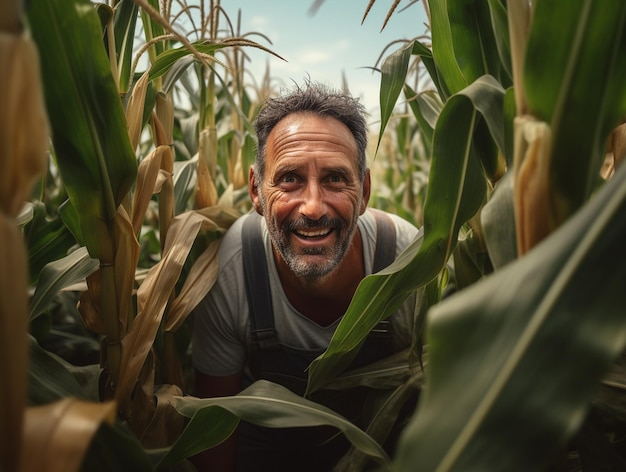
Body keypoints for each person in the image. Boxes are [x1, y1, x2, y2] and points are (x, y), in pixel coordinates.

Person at [191, 82, 423, 471]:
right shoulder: (233, 271)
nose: (313, 207)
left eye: (334, 179)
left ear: (364, 191)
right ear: (256, 191)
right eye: (289, 179)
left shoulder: (404, 261)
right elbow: (215, 433)